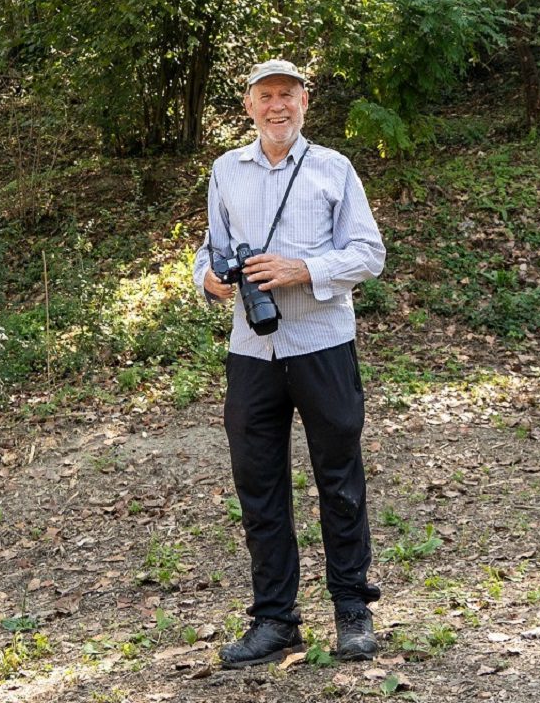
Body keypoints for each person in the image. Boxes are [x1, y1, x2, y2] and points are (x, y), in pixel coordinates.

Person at [192, 59, 386, 668]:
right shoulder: (226, 170)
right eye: (265, 96)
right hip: (251, 351)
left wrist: (303, 270)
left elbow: (369, 253)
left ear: (306, 103)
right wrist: (210, 280)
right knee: (259, 486)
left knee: (339, 478)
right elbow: (212, 248)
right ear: (249, 107)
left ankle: (353, 611)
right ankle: (276, 621)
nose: (278, 106)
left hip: (322, 343)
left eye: (288, 95)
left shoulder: (334, 168)